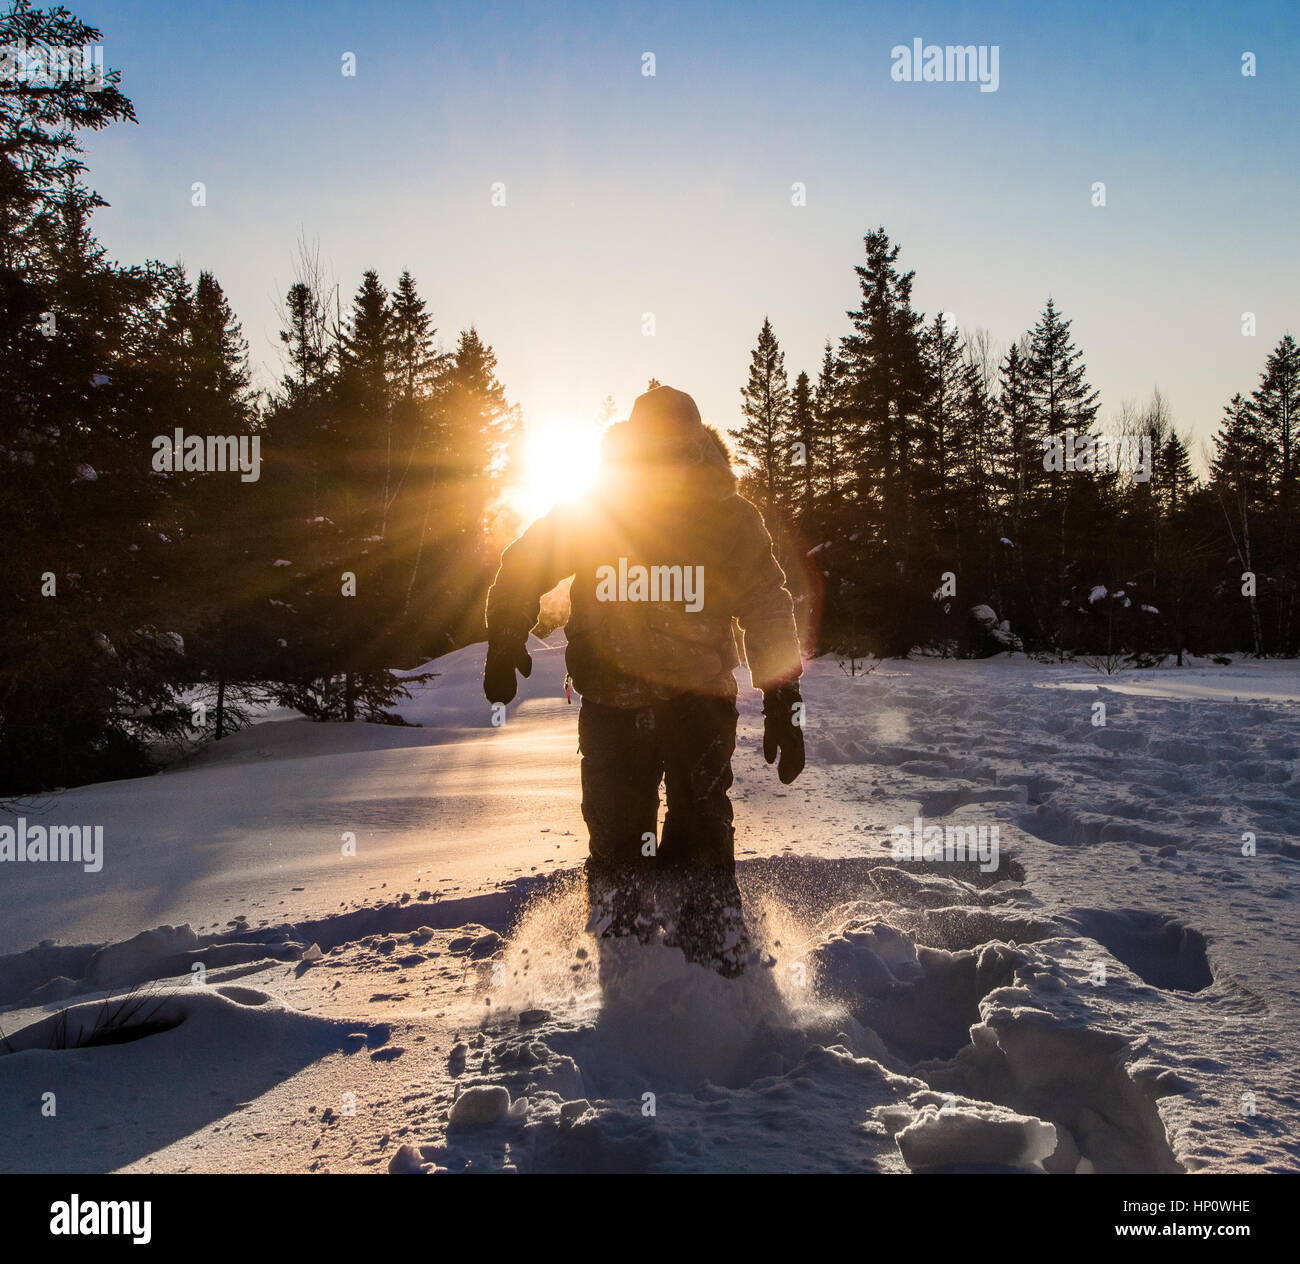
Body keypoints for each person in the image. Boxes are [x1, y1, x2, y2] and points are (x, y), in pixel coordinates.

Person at [483, 385, 805, 976]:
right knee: (618, 842)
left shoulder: (729, 516)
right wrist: (504, 634)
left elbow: (765, 602)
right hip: (611, 701)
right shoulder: (596, 509)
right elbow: (526, 560)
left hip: (699, 701)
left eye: (675, 451)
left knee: (702, 828)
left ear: (696, 447)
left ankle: (717, 968)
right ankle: (628, 973)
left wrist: (783, 694)